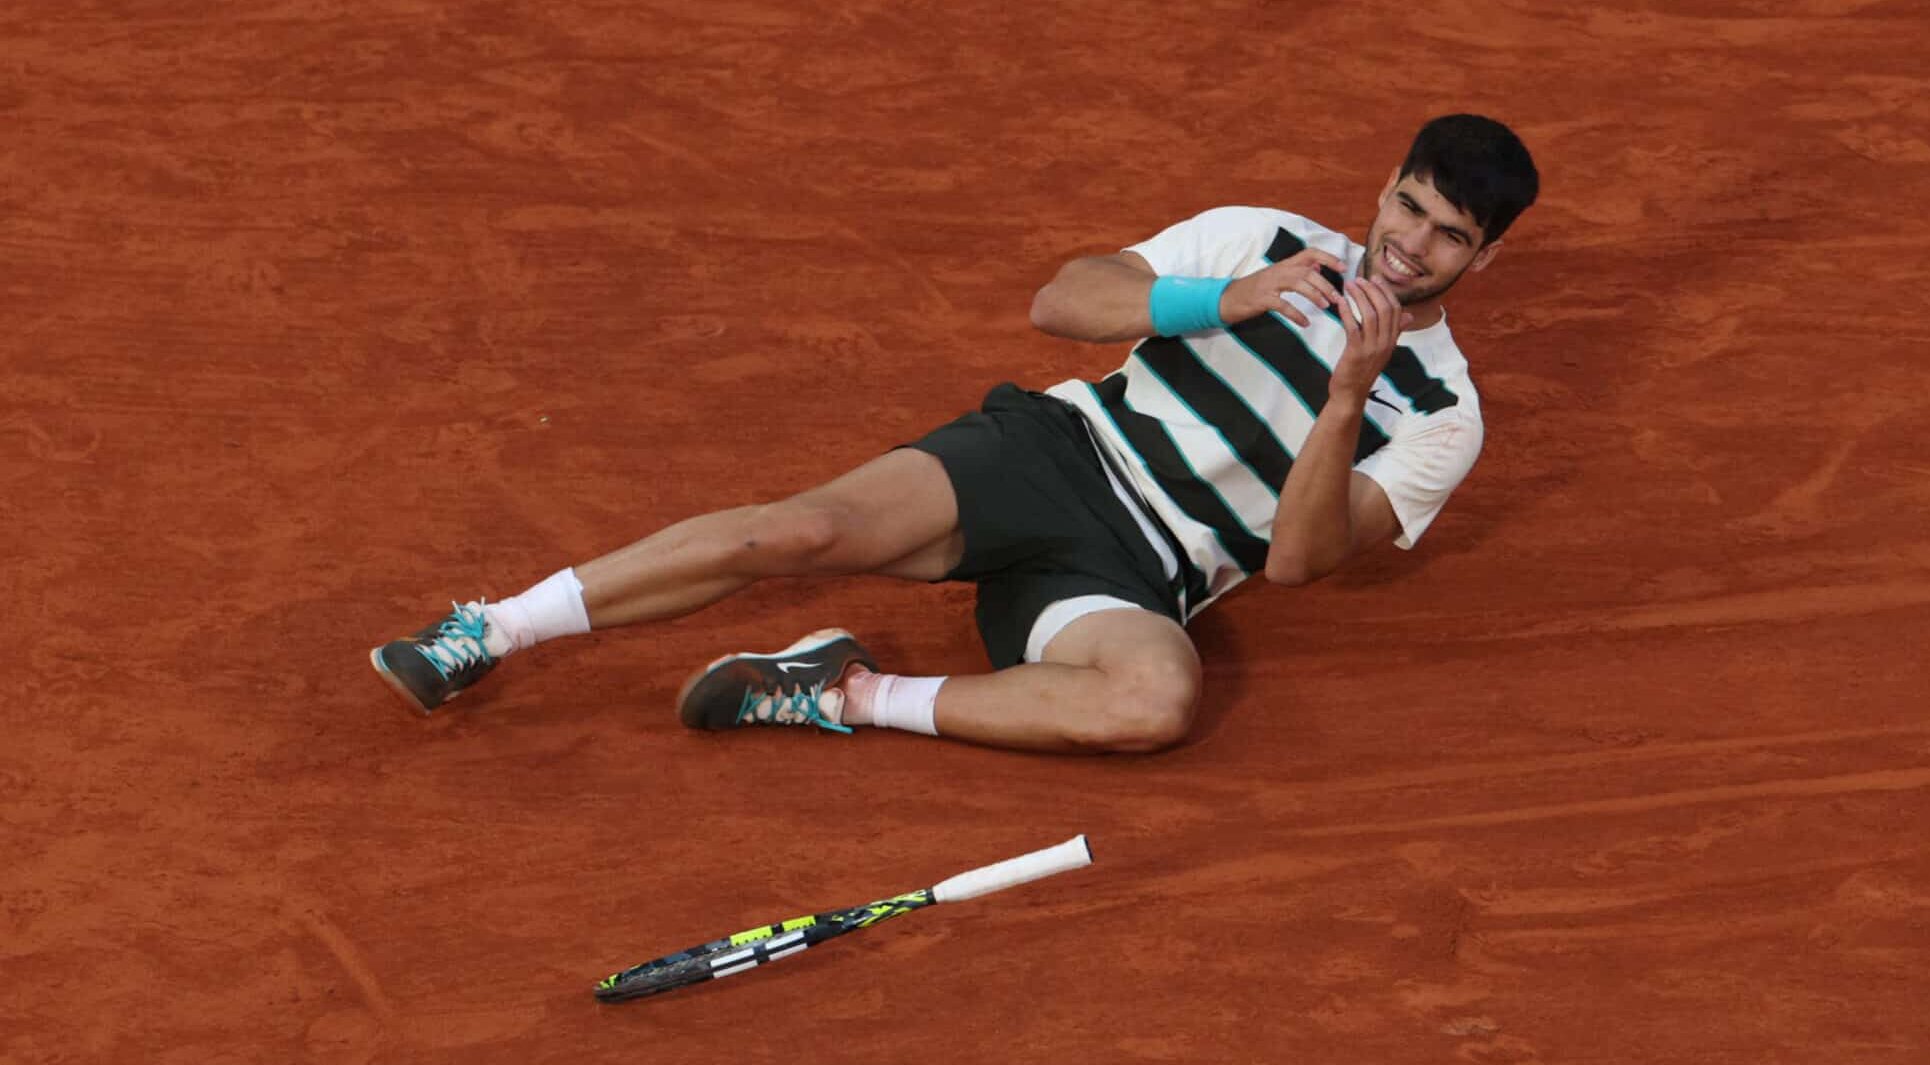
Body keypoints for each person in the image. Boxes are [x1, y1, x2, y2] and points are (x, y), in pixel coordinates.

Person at [371, 113, 1539, 754]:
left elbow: (1292, 563)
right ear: (1383, 184)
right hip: (1049, 456)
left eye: (1445, 238)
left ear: (1481, 259)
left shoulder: (1442, 415)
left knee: (1153, 702)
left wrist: (1345, 395)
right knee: (802, 528)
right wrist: (1218, 301)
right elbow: (1061, 301)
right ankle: (490, 628)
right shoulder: (1258, 237)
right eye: (1406, 207)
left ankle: (841, 694)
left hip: (1136, 574)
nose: (1407, 245)